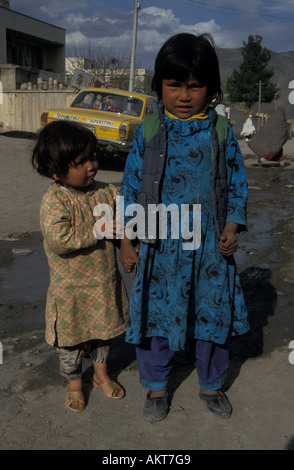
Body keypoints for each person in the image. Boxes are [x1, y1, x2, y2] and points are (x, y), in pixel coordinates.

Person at [119, 32, 249, 421]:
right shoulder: (148, 132)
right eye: (174, 85)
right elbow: (129, 189)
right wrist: (127, 241)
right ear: (159, 84)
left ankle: (211, 384)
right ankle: (156, 387)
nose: (184, 95)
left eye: (195, 86)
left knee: (211, 316)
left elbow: (238, 186)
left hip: (209, 248)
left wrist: (230, 227)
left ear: (210, 88)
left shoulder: (221, 133)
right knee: (155, 316)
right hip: (159, 247)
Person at [31, 120, 128, 412]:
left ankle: (100, 374)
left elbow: (124, 219)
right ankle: (74, 382)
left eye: (92, 156)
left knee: (104, 332)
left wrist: (127, 240)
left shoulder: (107, 192)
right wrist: (98, 230)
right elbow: (60, 239)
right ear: (56, 172)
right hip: (71, 289)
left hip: (103, 281)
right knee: (70, 341)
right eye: (81, 162)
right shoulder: (55, 200)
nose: (91, 166)